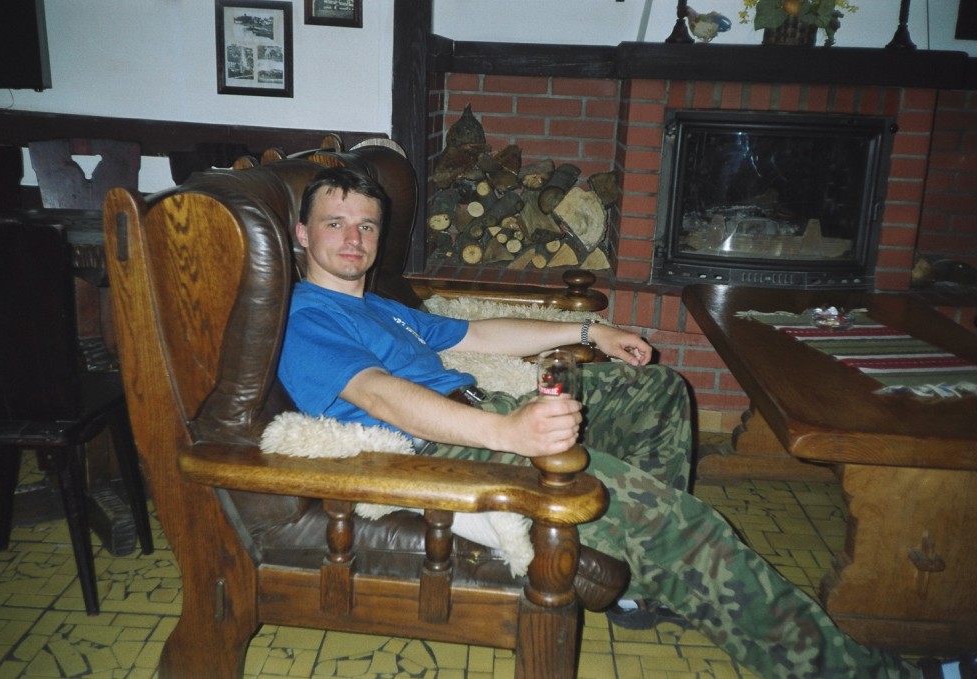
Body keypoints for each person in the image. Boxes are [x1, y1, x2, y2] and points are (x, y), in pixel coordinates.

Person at [277, 166, 964, 679]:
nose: (353, 238)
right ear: (302, 234)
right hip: (440, 449)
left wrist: (589, 329)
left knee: (656, 389)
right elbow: (378, 396)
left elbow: (476, 333)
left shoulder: (380, 307)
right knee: (692, 528)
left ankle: (635, 581)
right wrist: (507, 433)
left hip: (479, 410)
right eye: (335, 223)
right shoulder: (305, 316)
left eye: (366, 225)